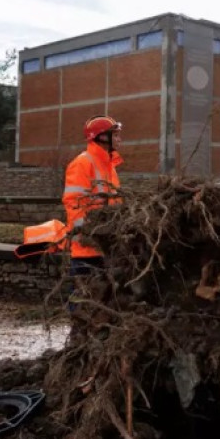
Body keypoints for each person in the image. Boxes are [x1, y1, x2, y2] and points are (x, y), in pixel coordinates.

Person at [62, 115, 123, 305]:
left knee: (104, 305)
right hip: (86, 251)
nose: (120, 139)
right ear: (103, 137)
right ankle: (79, 334)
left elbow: (116, 205)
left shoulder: (110, 167)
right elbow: (74, 204)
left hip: (105, 248)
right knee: (82, 303)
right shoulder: (82, 163)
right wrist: (90, 234)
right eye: (116, 134)